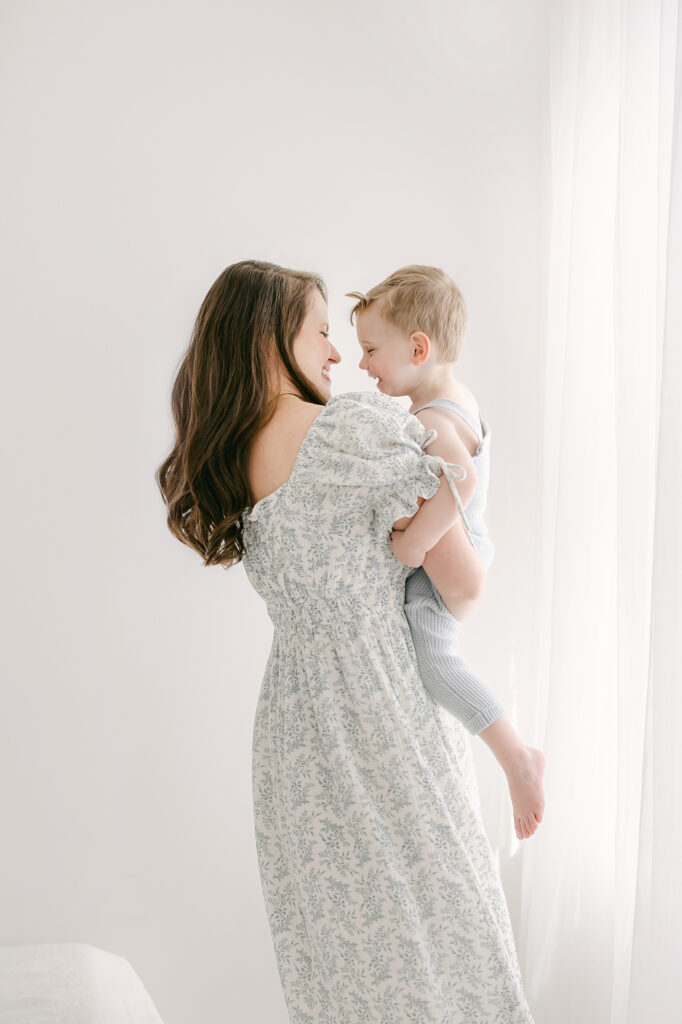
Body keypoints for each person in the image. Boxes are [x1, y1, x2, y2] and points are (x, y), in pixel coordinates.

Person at [156, 259, 536, 1023]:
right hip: (383, 717)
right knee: (450, 953)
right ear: (270, 340)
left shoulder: (231, 461)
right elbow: (464, 588)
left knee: (347, 976)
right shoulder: (352, 432)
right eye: (321, 332)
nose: (336, 354)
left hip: (294, 747)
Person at [346, 265, 545, 842]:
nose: (362, 364)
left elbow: (462, 479)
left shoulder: (431, 418)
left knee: (437, 666)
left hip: (449, 562)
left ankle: (516, 757)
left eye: (371, 350)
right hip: (470, 545)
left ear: (418, 348)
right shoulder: (457, 398)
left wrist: (411, 544)